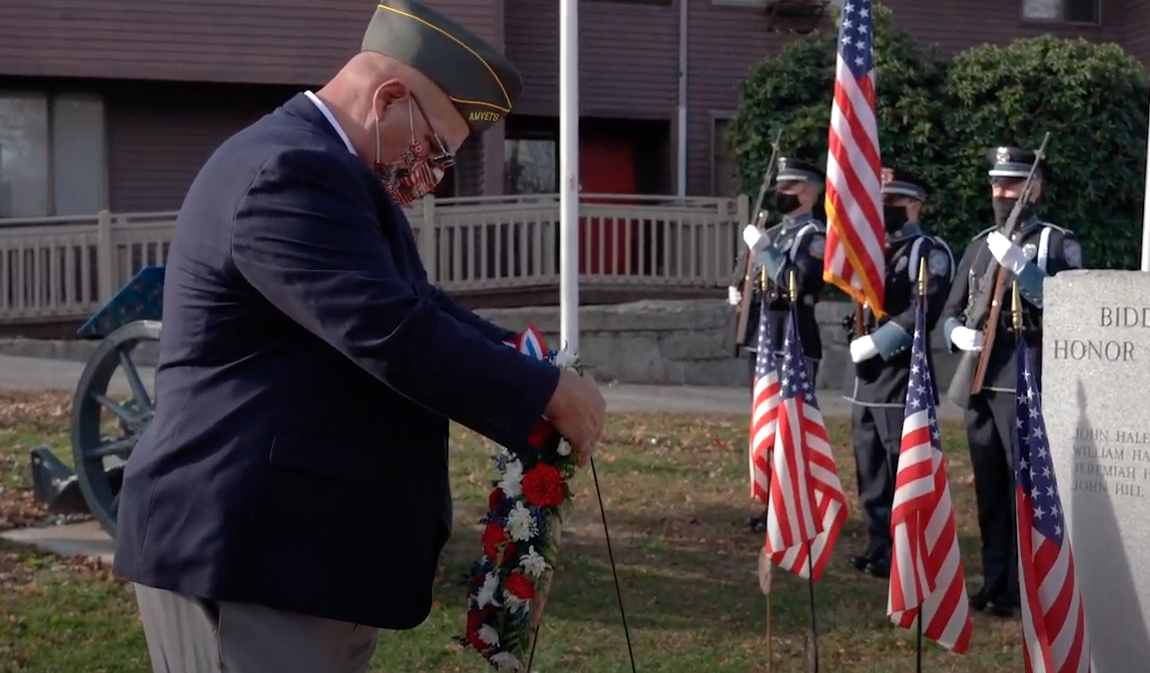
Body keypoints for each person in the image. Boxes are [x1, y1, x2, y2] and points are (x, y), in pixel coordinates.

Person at [110, 2, 608, 671]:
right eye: (432, 152)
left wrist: (529, 364)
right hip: (249, 551)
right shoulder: (292, 171)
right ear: (389, 99)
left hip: (298, 552)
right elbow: (389, 331)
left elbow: (417, 304)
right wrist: (541, 389)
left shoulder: (330, 171)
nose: (428, 181)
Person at [938, 145, 1083, 618]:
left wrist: (1025, 269)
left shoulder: (1055, 244)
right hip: (981, 384)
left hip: (1026, 385)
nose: (1003, 193)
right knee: (989, 490)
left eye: (1013, 184)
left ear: (1034, 189)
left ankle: (1030, 585)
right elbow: (951, 310)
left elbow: (1071, 309)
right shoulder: (980, 244)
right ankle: (995, 580)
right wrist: (957, 334)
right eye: (997, 184)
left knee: (1027, 490)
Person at [842, 168, 954, 578]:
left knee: (897, 462)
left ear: (915, 205)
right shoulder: (871, 248)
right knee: (869, 465)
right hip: (865, 376)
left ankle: (906, 549)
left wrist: (879, 342)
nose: (884, 210)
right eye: (881, 202)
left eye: (893, 203)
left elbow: (923, 309)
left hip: (900, 372)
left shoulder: (928, 251)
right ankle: (877, 545)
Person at [728, 156, 827, 532]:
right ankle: (770, 502)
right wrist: (742, 295)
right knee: (767, 427)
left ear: (808, 192)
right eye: (780, 186)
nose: (781, 193)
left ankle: (793, 505)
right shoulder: (779, 232)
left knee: (791, 429)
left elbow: (795, 284)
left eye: (789, 187)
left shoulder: (813, 237)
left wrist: (765, 251)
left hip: (793, 344)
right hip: (766, 342)